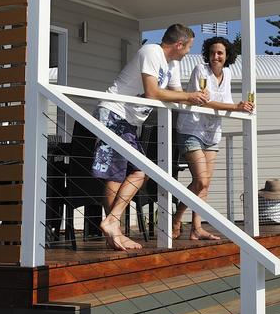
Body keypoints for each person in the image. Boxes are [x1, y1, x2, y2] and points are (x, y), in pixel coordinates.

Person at [91, 24, 209, 251]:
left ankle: (112, 224)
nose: (188, 52)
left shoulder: (173, 64)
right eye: (188, 47)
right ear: (179, 44)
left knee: (139, 171)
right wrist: (188, 96)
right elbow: (153, 92)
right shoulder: (151, 52)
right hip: (113, 113)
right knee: (116, 175)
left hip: (129, 121)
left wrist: (197, 99)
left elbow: (175, 95)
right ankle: (113, 229)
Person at [171, 37, 254, 240]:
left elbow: (226, 101)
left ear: (227, 56)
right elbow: (204, 102)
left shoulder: (228, 72)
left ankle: (196, 228)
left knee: (205, 184)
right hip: (191, 130)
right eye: (212, 53)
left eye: (220, 53)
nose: (215, 57)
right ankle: (176, 218)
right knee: (200, 180)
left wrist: (243, 107)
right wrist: (236, 107)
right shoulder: (201, 70)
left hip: (212, 133)